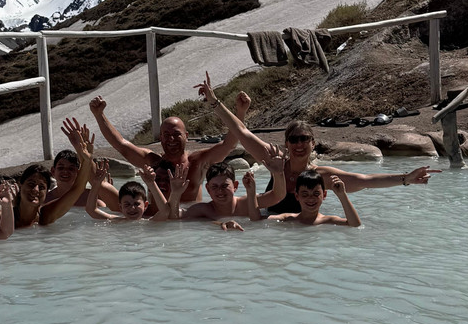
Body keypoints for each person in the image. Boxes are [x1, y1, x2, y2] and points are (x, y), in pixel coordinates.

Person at [195, 72, 440, 213]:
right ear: (286, 143)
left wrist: (405, 178)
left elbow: (365, 181)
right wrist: (215, 102)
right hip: (268, 226)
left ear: (313, 143)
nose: (299, 144)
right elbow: (241, 131)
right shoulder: (273, 158)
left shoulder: (320, 176)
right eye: (294, 139)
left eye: (304, 139)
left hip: (302, 230)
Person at [88, 92, 251, 203]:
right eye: (166, 135)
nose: (171, 139)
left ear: (186, 136)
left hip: (188, 224)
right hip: (156, 223)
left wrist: (241, 112)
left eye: (176, 134)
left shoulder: (198, 162)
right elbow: (121, 145)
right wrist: (99, 115)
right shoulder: (151, 161)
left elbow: (229, 144)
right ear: (160, 138)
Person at [0, 118, 96, 229]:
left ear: (46, 192)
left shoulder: (45, 215)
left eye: (41, 187)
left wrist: (87, 160)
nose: (36, 190)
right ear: (20, 185)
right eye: (31, 184)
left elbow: (77, 189)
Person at [170, 157, 285, 230]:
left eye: (225, 186)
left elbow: (277, 196)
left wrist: (278, 174)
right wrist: (175, 193)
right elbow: (174, 216)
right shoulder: (204, 210)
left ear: (235, 186)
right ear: (208, 189)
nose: (220, 191)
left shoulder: (247, 202)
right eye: (214, 187)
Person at [264, 170, 361, 227]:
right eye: (305, 194)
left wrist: (342, 195)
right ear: (297, 196)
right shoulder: (287, 218)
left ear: (324, 195)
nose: (311, 198)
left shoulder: (328, 221)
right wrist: (251, 193)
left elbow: (355, 224)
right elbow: (257, 219)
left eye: (316, 194)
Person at [85, 159, 172, 222]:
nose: (132, 208)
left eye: (136, 204)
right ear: (120, 207)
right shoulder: (116, 221)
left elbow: (165, 211)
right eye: (127, 205)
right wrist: (96, 184)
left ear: (145, 205)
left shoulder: (149, 222)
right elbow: (91, 210)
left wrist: (152, 184)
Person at [46, 148, 121, 210]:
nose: (65, 171)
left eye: (71, 169)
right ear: (53, 171)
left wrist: (107, 195)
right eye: (61, 168)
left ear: (79, 173)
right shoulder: (45, 200)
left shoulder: (92, 200)